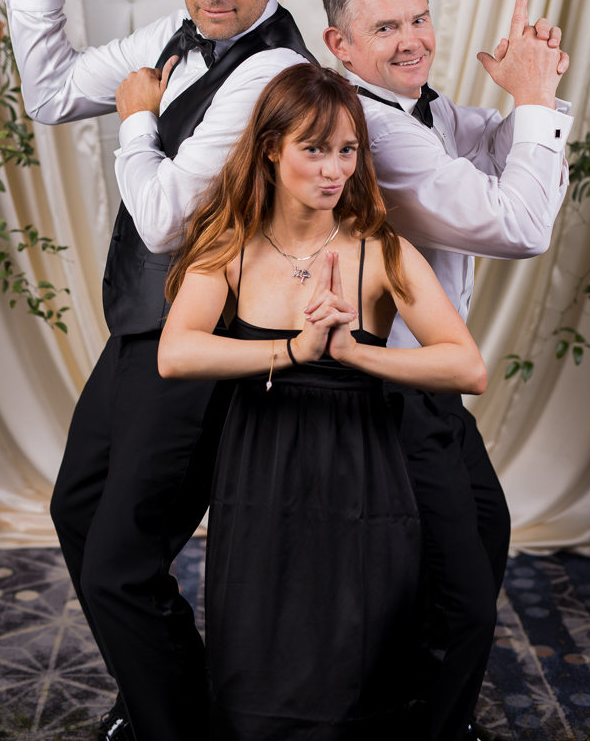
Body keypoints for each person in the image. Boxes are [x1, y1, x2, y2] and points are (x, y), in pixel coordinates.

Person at [6, 0, 314, 741]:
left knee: (120, 567)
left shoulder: (275, 73)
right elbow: (51, 94)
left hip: (204, 342)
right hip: (143, 331)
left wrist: (136, 118)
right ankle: (159, 704)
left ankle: (175, 726)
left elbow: (167, 219)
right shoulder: (175, 35)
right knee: (77, 512)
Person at [158, 62, 487, 740]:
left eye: (347, 150)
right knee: (259, 640)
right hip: (260, 466)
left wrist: (355, 353)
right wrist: (294, 351)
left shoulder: (383, 250)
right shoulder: (230, 245)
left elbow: (468, 367)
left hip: (362, 467)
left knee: (357, 642)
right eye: (314, 149)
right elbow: (176, 353)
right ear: (270, 148)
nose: (335, 170)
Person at [321, 0, 572, 741]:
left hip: (434, 387)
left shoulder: (433, 114)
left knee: (482, 540)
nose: (412, 39)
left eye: (420, 18)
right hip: (386, 390)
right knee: (452, 594)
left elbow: (521, 165)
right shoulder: (373, 132)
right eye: (385, 27)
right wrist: (532, 100)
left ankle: (436, 722)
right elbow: (519, 225)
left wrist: (536, 92)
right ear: (339, 46)